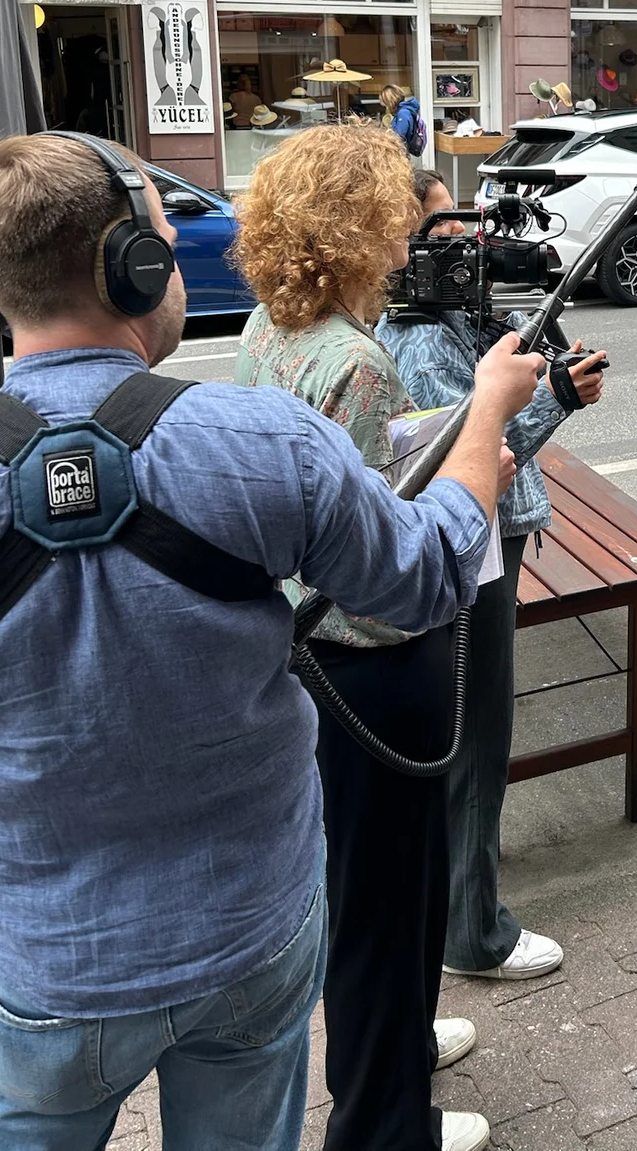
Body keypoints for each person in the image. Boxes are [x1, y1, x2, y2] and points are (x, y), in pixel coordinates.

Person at [0, 131, 542, 1151]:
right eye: (163, 237)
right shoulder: (261, 445)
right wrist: (489, 419)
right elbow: (427, 575)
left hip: (45, 967)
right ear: (133, 266)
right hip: (246, 944)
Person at [233, 127, 503, 1151]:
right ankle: (385, 1122)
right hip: (375, 661)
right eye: (390, 225)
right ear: (354, 230)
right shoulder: (353, 360)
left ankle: (389, 1052)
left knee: (360, 887)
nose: (403, 247)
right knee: (390, 891)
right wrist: (483, 449)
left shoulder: (272, 329)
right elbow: (388, 557)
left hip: (309, 657)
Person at [378, 171, 605, 982]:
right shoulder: (414, 335)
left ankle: (461, 906)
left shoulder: (451, 315)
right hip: (472, 553)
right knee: (476, 742)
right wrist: (557, 399)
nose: (464, 241)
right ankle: (475, 933)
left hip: (476, 549)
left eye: (465, 223)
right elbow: (473, 457)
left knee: (470, 738)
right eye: (441, 229)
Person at [383, 82, 427, 156]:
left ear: (390, 100)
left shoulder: (403, 113)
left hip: (400, 153)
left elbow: (398, 136)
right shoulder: (403, 111)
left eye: (385, 102)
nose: (385, 105)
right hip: (402, 152)